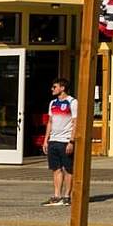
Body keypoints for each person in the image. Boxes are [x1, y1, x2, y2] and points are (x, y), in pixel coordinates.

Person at [43, 78, 76, 206]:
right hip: (54, 140)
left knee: (68, 169)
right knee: (55, 169)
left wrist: (71, 141)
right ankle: (57, 196)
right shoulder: (53, 103)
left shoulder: (72, 102)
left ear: (62, 88)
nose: (52, 89)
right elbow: (50, 122)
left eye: (54, 86)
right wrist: (46, 140)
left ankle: (67, 196)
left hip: (65, 140)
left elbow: (75, 122)